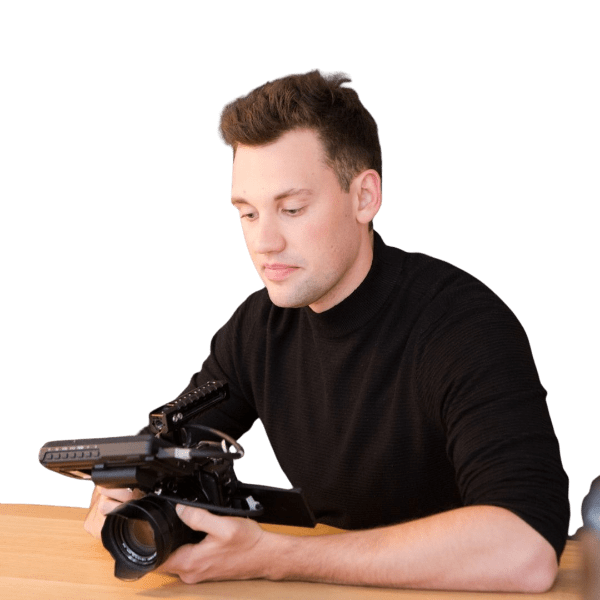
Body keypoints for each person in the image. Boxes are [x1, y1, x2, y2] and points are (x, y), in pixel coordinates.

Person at [84, 68, 570, 592]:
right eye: (247, 214)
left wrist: (276, 557)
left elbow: (526, 550)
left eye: (291, 209)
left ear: (365, 197)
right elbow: (163, 447)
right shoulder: (257, 328)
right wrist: (125, 490)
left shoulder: (463, 326)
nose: (264, 243)